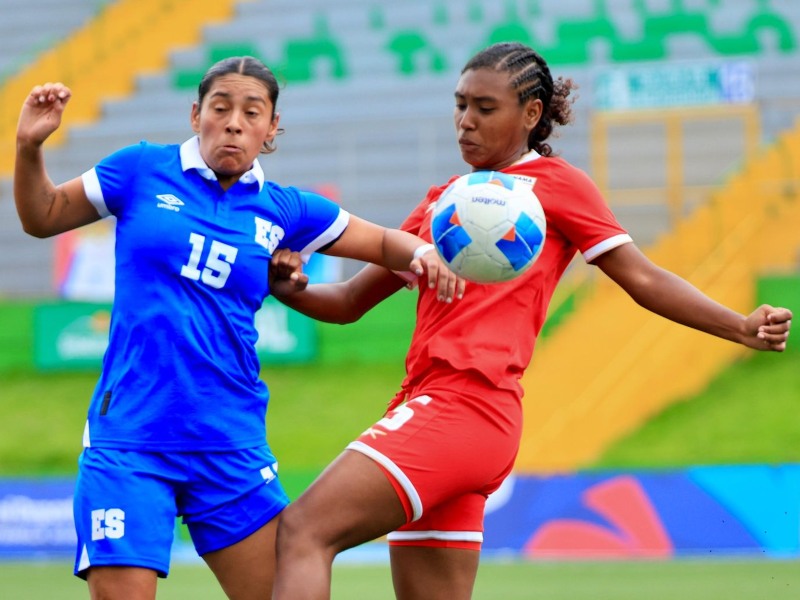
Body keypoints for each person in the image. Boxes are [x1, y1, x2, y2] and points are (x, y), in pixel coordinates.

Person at [268, 41, 793, 600]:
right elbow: (348, 303)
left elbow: (641, 279)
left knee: (304, 531)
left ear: (532, 114)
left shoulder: (556, 186)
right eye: (460, 105)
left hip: (464, 407)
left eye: (485, 108)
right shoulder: (441, 203)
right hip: (437, 408)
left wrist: (738, 326)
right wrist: (285, 288)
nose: (465, 122)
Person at [13, 56, 461, 600]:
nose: (234, 123)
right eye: (221, 108)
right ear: (196, 113)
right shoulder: (138, 169)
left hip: (230, 445)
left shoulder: (284, 208)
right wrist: (29, 148)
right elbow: (43, 215)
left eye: (252, 112)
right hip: (128, 442)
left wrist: (423, 252)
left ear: (271, 129)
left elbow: (384, 241)